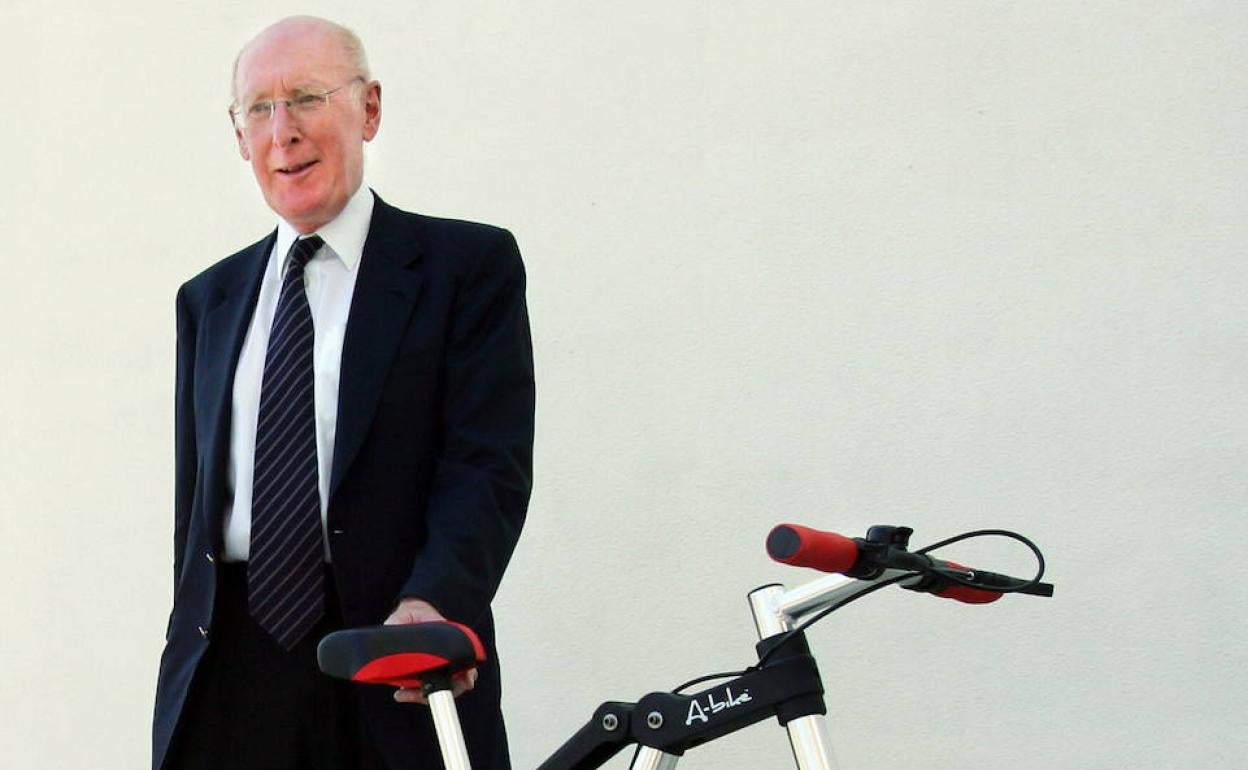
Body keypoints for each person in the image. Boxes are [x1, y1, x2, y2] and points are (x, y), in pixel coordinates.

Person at [152, 15, 534, 770]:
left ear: (369, 109)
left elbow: (487, 466)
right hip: (228, 678)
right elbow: (195, 509)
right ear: (239, 137)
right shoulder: (208, 300)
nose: (283, 131)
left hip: (391, 654)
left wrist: (437, 602)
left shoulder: (464, 268)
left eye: (306, 98)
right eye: (259, 109)